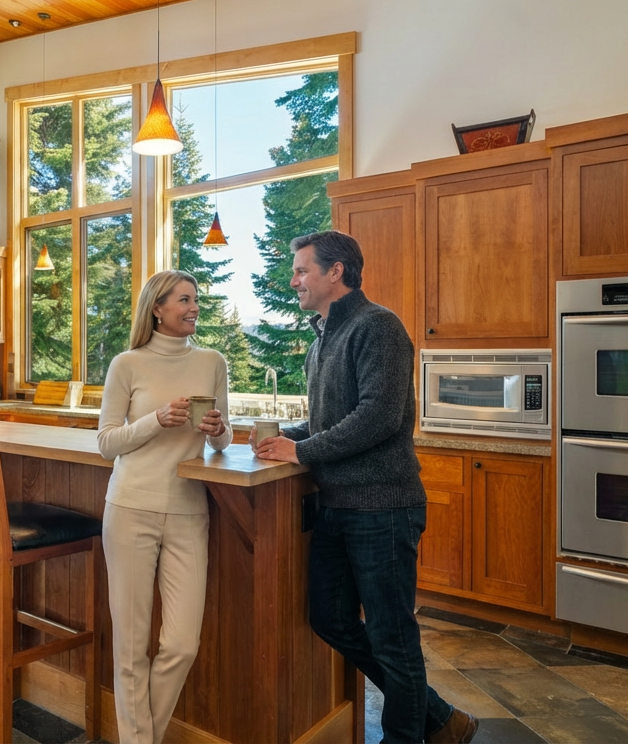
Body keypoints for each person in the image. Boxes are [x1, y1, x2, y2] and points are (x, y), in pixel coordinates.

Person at [252, 231, 477, 744]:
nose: (294, 280)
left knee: (392, 635)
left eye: (302, 270)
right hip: (336, 506)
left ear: (336, 273)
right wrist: (283, 438)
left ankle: (408, 737)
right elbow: (327, 420)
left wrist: (302, 451)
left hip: (383, 507)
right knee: (329, 619)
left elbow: (377, 416)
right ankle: (441, 720)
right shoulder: (322, 336)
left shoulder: (379, 326)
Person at [96, 270, 232, 744]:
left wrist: (217, 431)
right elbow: (107, 443)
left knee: (181, 644)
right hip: (130, 508)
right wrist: (156, 419)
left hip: (190, 512)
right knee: (131, 646)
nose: (194, 307)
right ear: (157, 308)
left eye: (196, 300)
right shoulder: (127, 364)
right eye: (184, 300)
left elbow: (224, 439)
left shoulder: (213, 360)